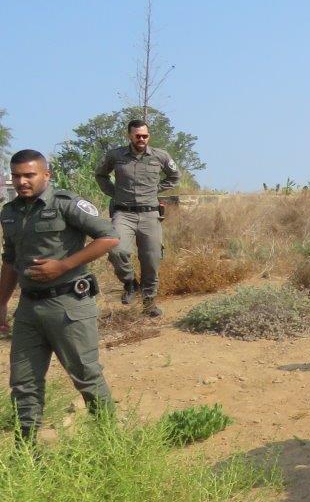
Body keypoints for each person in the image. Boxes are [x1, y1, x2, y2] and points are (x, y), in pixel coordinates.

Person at [1, 149, 119, 440]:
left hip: (68, 305)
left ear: (46, 175)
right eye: (16, 176)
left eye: (29, 175)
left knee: (86, 377)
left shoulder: (67, 203)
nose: (21, 182)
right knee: (24, 384)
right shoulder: (10, 212)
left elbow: (109, 237)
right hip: (29, 309)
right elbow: (10, 260)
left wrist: (63, 265)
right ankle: (27, 455)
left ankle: (111, 445)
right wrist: (2, 302)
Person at [94, 119, 181, 317]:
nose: (141, 139)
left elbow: (175, 176)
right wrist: (114, 193)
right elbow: (100, 175)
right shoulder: (115, 155)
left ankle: (149, 304)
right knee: (116, 250)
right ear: (129, 136)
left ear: (148, 136)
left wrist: (156, 190)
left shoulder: (161, 156)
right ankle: (130, 282)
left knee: (151, 259)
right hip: (123, 213)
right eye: (137, 136)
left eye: (145, 136)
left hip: (150, 214)